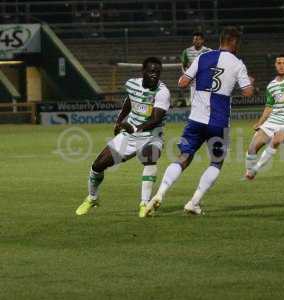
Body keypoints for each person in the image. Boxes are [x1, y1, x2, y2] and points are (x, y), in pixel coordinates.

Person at [144, 26, 254, 216]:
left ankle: (160, 194)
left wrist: (201, 80)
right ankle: (194, 202)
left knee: (184, 157)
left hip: (195, 120)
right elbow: (248, 92)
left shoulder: (203, 57)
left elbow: (182, 83)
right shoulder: (238, 64)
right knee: (216, 162)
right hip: (219, 123)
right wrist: (250, 82)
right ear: (234, 41)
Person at [75, 57, 171, 218]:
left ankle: (144, 203)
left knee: (150, 157)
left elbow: (156, 119)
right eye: (151, 71)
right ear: (143, 72)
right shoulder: (132, 84)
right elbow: (129, 100)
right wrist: (119, 121)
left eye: (158, 72)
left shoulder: (163, 92)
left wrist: (132, 127)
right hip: (129, 135)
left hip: (151, 135)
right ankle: (92, 198)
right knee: (98, 165)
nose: (155, 75)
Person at [180, 32, 211, 106]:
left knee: (206, 102)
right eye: (195, 39)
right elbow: (183, 65)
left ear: (202, 40)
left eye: (199, 39)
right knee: (194, 102)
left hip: (205, 81)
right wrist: (186, 76)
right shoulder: (186, 51)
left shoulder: (208, 51)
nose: (197, 41)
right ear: (193, 40)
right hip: (193, 81)